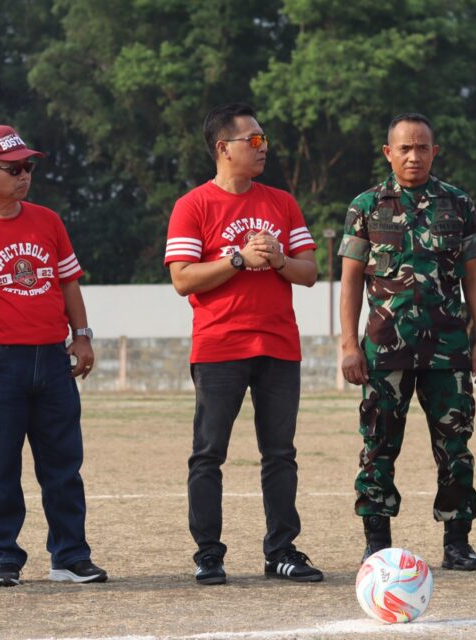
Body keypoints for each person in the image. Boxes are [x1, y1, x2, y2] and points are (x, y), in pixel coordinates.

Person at [0, 124, 106, 587]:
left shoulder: (48, 221)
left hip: (51, 358)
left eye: (28, 166)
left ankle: (69, 556)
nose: (24, 175)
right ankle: (2, 557)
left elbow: (68, 282)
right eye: (13, 168)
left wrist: (82, 335)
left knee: (63, 465)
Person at [165, 102, 322, 585]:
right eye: (252, 141)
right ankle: (208, 554)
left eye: (264, 140)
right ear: (222, 148)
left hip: (278, 345)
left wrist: (276, 260)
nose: (262, 148)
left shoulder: (282, 202)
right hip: (219, 348)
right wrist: (237, 258)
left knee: (280, 453)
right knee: (208, 454)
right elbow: (183, 279)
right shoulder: (193, 205)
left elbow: (311, 272)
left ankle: (282, 550)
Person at [338, 113, 476, 571]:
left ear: (434, 151)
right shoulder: (366, 206)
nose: (413, 155)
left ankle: (457, 541)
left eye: (422, 147)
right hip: (385, 351)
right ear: (388, 153)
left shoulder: (458, 204)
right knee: (378, 445)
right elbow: (350, 280)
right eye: (404, 148)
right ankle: (377, 541)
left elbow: (474, 276)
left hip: (448, 351)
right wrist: (349, 343)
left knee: (455, 447)